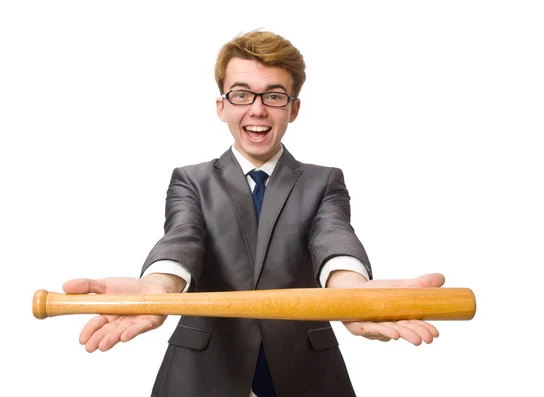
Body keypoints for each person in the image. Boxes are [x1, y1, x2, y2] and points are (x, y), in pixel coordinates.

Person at [63, 29, 444, 397]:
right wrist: (156, 290)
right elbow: (183, 237)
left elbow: (333, 236)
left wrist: (352, 294)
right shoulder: (191, 181)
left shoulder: (324, 181)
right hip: (203, 374)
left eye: (274, 96)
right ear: (222, 106)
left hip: (305, 374)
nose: (257, 109)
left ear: (293, 108)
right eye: (242, 94)